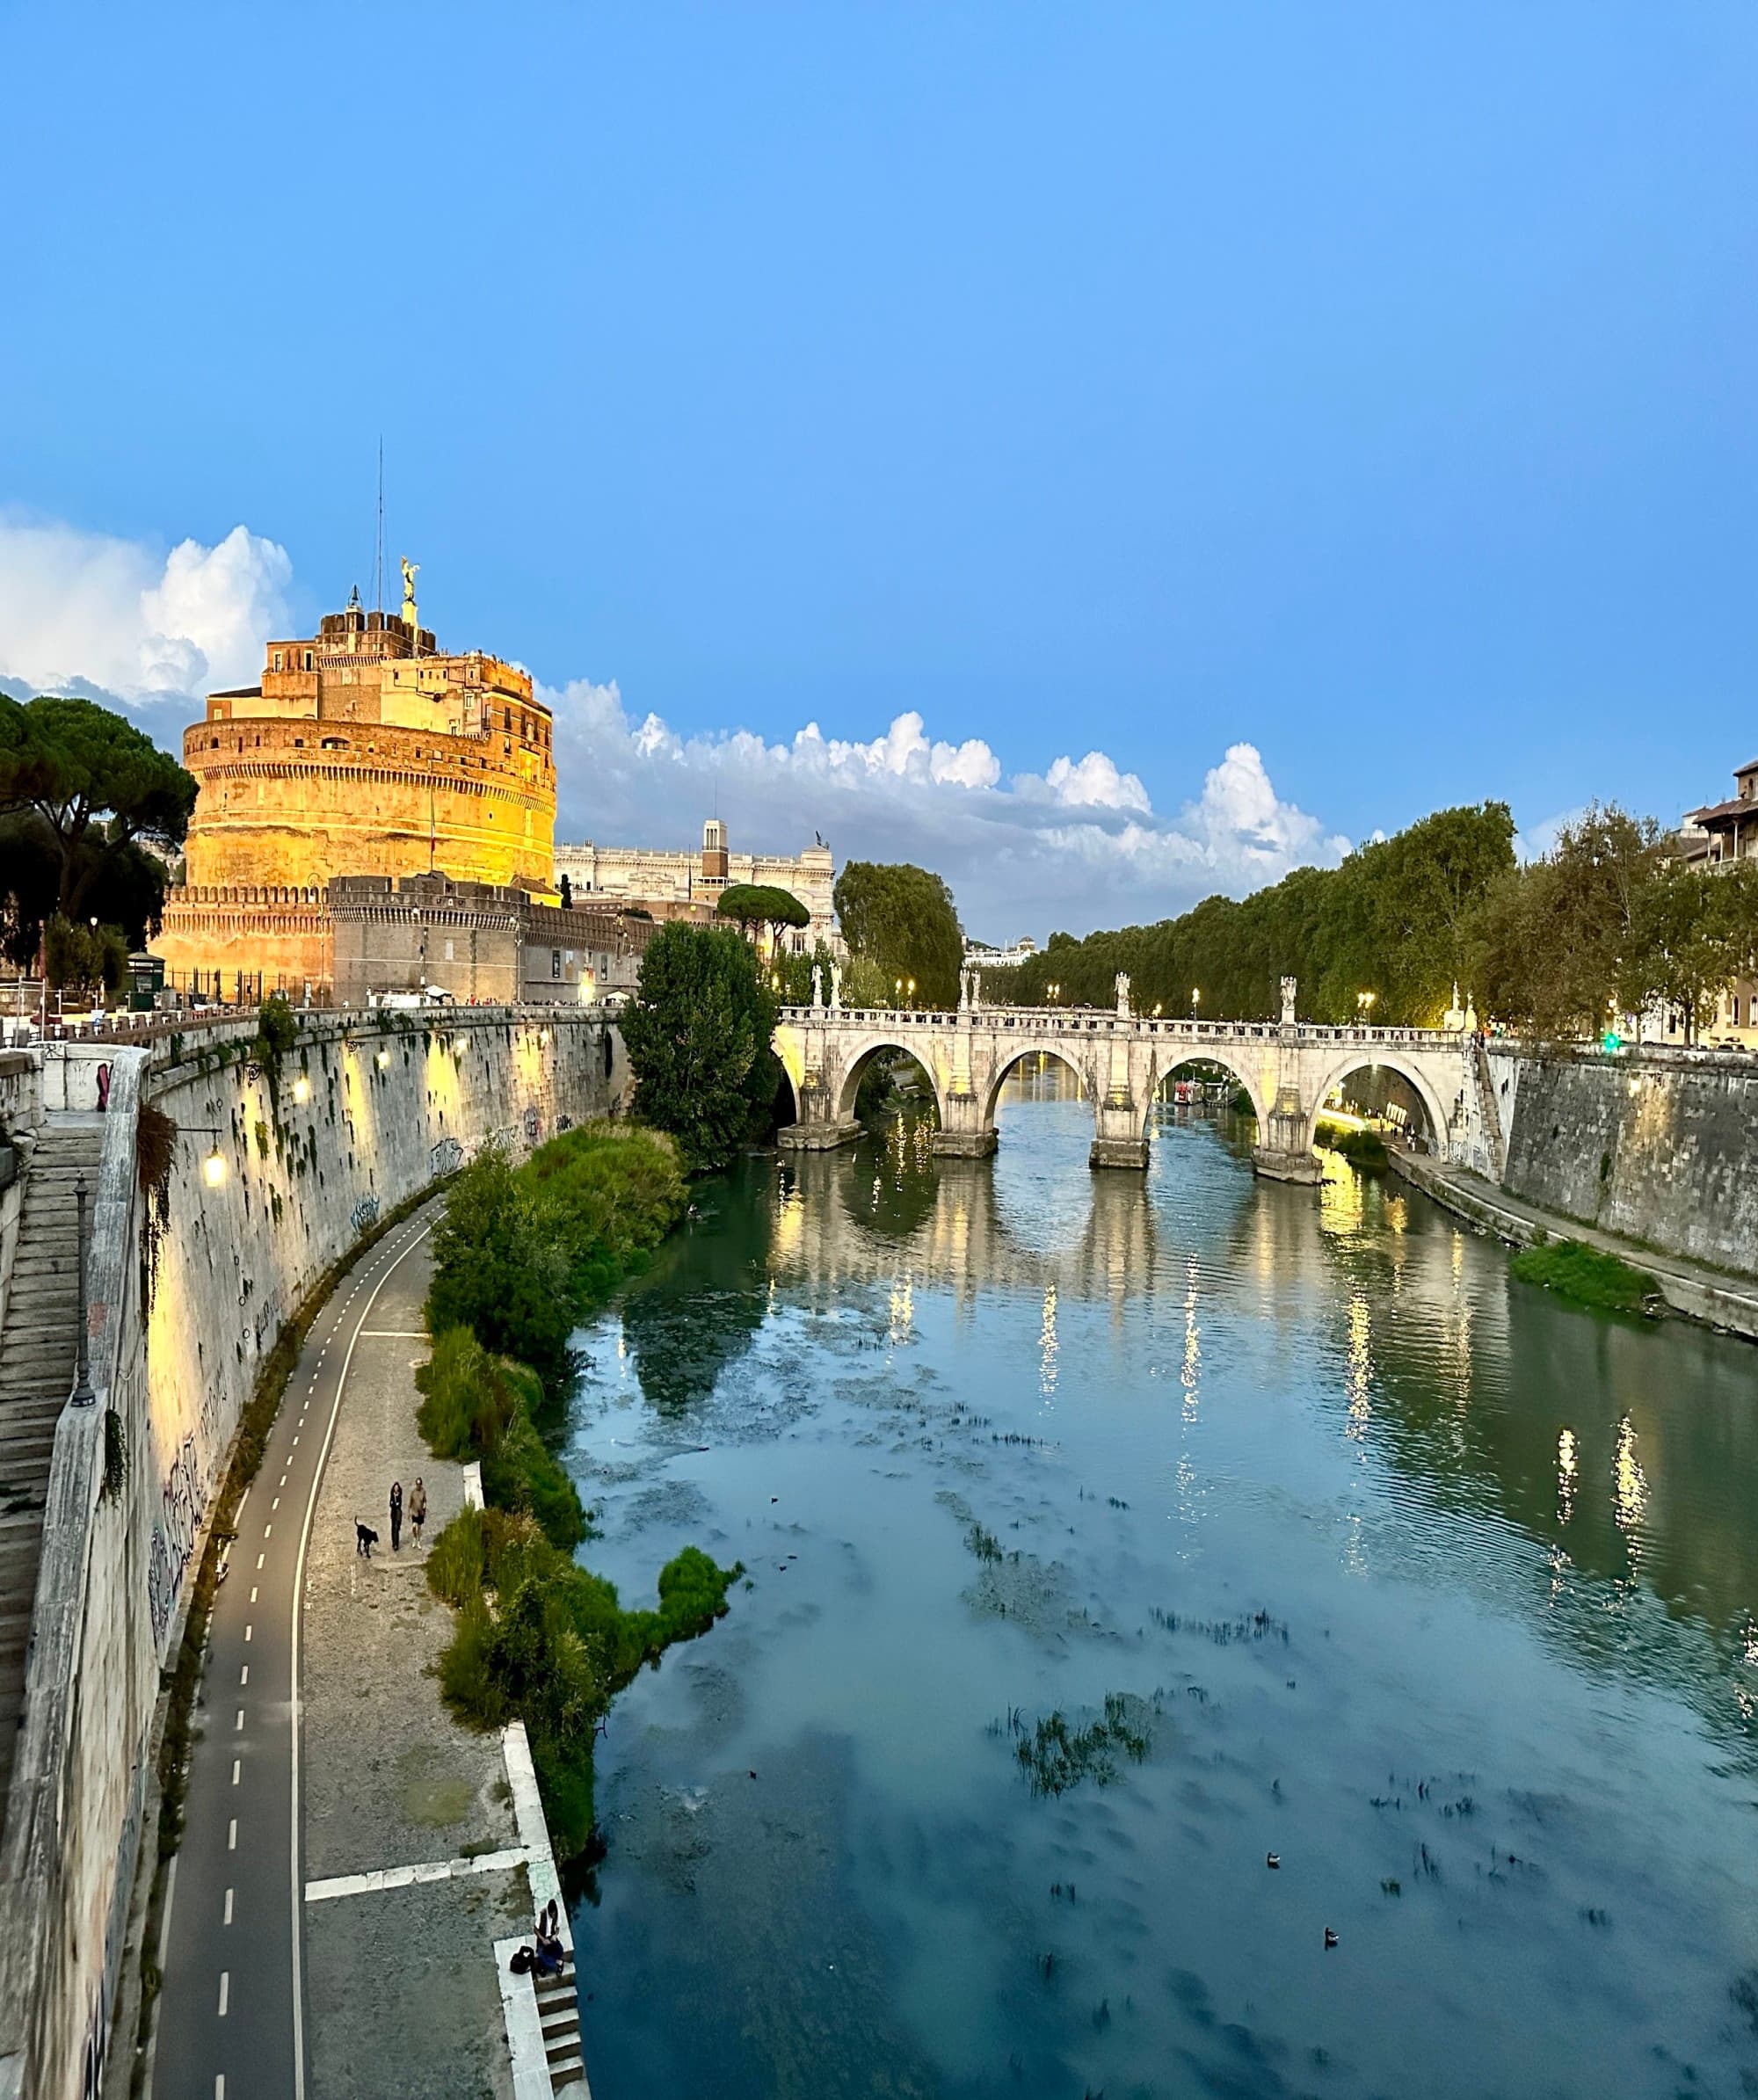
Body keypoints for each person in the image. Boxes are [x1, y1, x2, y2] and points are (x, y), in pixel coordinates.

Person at [409, 1477, 427, 1547]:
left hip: (421, 1512)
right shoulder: (413, 1492)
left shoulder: (423, 1491)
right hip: (414, 1512)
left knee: (419, 1527)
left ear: (421, 1484)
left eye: (419, 1484)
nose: (418, 1485)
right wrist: (409, 1512)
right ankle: (414, 1538)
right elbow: (410, 1502)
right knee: (413, 1526)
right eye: (417, 1484)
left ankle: (419, 1541)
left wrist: (424, 1507)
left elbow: (425, 1501)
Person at [389, 1479, 403, 1553]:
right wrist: (394, 1504)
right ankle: (393, 1542)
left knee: (396, 1528)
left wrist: (394, 1504)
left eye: (397, 1488)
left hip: (398, 1513)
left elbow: (399, 1505)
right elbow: (391, 1504)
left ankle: (396, 1544)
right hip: (393, 1513)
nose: (396, 1489)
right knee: (392, 1528)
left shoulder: (399, 1496)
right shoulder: (392, 1495)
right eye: (395, 1488)